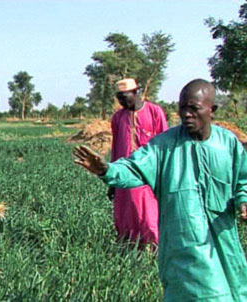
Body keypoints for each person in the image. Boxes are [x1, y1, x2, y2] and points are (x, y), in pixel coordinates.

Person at [74, 79, 247, 301]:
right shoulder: (164, 145)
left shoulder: (228, 143)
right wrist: (106, 170)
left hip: (224, 244)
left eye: (193, 108)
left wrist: (243, 201)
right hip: (184, 246)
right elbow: (134, 167)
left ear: (211, 110)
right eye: (182, 108)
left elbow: (243, 179)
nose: (186, 114)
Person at [109, 78, 167, 246]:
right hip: (123, 173)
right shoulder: (118, 118)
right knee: (124, 216)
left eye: (124, 96)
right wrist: (112, 180)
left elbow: (164, 144)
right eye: (118, 97)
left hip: (148, 176)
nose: (121, 101)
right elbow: (115, 147)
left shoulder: (154, 112)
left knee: (149, 217)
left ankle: (154, 251)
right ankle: (129, 250)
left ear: (135, 92)